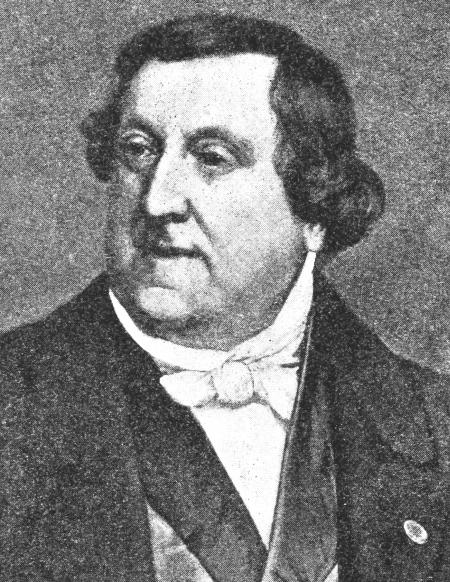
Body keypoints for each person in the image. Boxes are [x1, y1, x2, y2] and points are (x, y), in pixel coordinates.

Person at [0, 14, 448, 582]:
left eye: (212, 158)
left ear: (314, 209)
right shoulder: (15, 401)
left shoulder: (434, 422)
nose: (158, 200)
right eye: (138, 150)